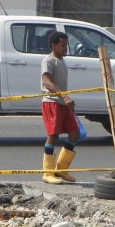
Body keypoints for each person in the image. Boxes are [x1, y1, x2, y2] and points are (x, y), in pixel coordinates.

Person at [40, 31, 83, 184]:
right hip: (52, 102)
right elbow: (47, 82)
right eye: (62, 45)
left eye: (66, 45)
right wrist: (64, 96)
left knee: (75, 133)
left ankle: (61, 169)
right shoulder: (49, 61)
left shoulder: (62, 60)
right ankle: (48, 172)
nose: (66, 48)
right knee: (53, 135)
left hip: (63, 103)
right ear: (53, 45)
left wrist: (66, 100)